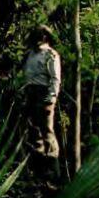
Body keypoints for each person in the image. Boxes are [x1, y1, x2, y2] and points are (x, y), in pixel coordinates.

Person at [23, 25, 61, 186]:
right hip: (30, 93)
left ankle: (53, 172)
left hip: (43, 93)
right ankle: (38, 172)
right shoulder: (30, 54)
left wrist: (51, 98)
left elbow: (55, 78)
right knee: (33, 131)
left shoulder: (50, 55)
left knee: (47, 131)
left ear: (45, 37)